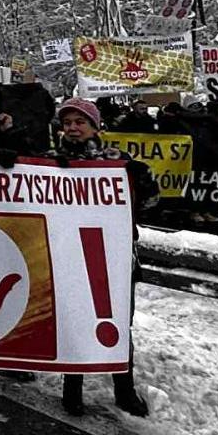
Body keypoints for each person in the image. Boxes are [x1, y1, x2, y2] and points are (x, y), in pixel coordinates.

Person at [52, 97, 155, 418]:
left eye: (80, 122)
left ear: (95, 127)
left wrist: (142, 178)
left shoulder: (118, 161)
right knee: (74, 322)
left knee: (119, 323)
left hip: (116, 260)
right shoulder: (48, 162)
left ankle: (124, 390)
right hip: (69, 259)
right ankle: (72, 390)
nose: (72, 128)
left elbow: (149, 204)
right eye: (67, 123)